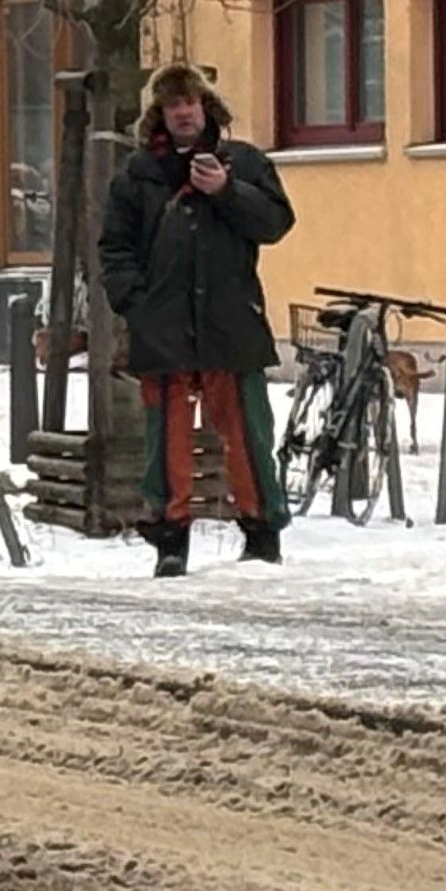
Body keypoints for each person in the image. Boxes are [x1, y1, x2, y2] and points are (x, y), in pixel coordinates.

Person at [99, 66, 296, 578]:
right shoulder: (137, 176)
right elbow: (114, 249)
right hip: (161, 327)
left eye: (191, 103)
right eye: (173, 106)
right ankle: (170, 539)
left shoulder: (245, 163)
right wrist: (136, 305)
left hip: (231, 322)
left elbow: (276, 223)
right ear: (159, 115)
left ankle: (262, 533)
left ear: (207, 108)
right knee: (166, 441)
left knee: (250, 432)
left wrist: (228, 191)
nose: (184, 113)